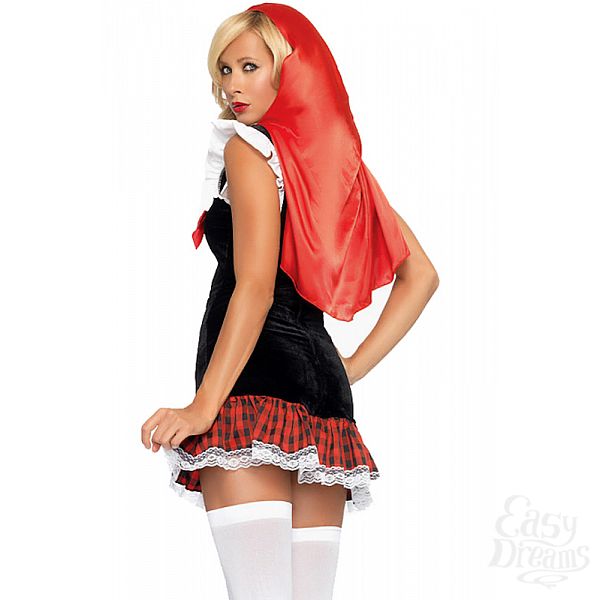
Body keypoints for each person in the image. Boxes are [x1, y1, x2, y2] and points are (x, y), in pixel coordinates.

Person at [141, 4, 439, 599]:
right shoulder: (335, 166)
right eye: (224, 70)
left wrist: (202, 408)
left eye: (250, 66)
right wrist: (345, 369)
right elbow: (421, 276)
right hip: (323, 402)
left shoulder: (249, 151)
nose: (233, 85)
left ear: (291, 70)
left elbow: (253, 286)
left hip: (251, 390)